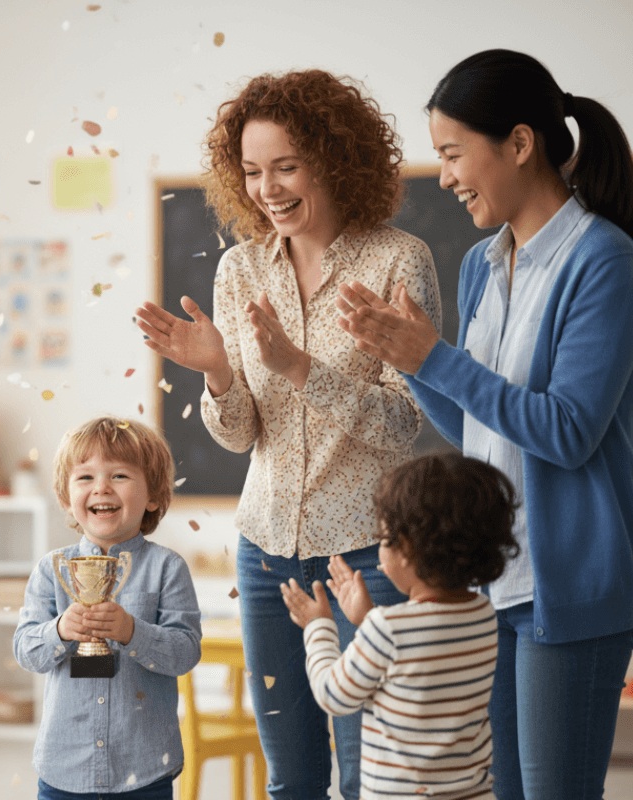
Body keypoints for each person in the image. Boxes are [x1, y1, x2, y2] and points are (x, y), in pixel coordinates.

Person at [134, 69, 442, 798]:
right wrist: (216, 374)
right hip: (267, 555)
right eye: (251, 171)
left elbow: (405, 425)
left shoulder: (400, 260)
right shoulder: (241, 271)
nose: (267, 188)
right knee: (291, 780)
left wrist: (302, 369)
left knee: (372, 779)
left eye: (286, 167)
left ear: (334, 159)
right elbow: (240, 437)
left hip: (370, 559)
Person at [336, 49, 633, 799]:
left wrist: (432, 356)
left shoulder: (605, 260)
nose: (443, 177)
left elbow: (568, 430)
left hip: (568, 585)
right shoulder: (478, 265)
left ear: (520, 143)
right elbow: (472, 423)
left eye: (452, 154)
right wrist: (405, 359)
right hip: (488, 579)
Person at [281, 452, 519, 800]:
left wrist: (318, 628)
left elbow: (333, 694)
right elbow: (420, 656)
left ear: (405, 548)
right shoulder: (482, 614)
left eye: (384, 537)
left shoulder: (388, 629)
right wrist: (367, 618)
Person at [13, 417, 201, 800]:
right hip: (64, 770)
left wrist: (134, 632)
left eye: (119, 476)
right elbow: (26, 650)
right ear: (67, 498)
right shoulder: (51, 570)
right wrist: (61, 630)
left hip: (145, 770)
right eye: (85, 478)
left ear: (152, 496)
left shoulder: (168, 568)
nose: (101, 487)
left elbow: (185, 653)